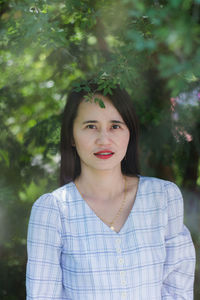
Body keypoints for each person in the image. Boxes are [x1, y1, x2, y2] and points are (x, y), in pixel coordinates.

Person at [26, 81, 196, 299]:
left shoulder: (163, 197)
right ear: (71, 136)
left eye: (115, 126)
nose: (103, 139)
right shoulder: (52, 210)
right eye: (90, 126)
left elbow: (177, 290)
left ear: (130, 132)